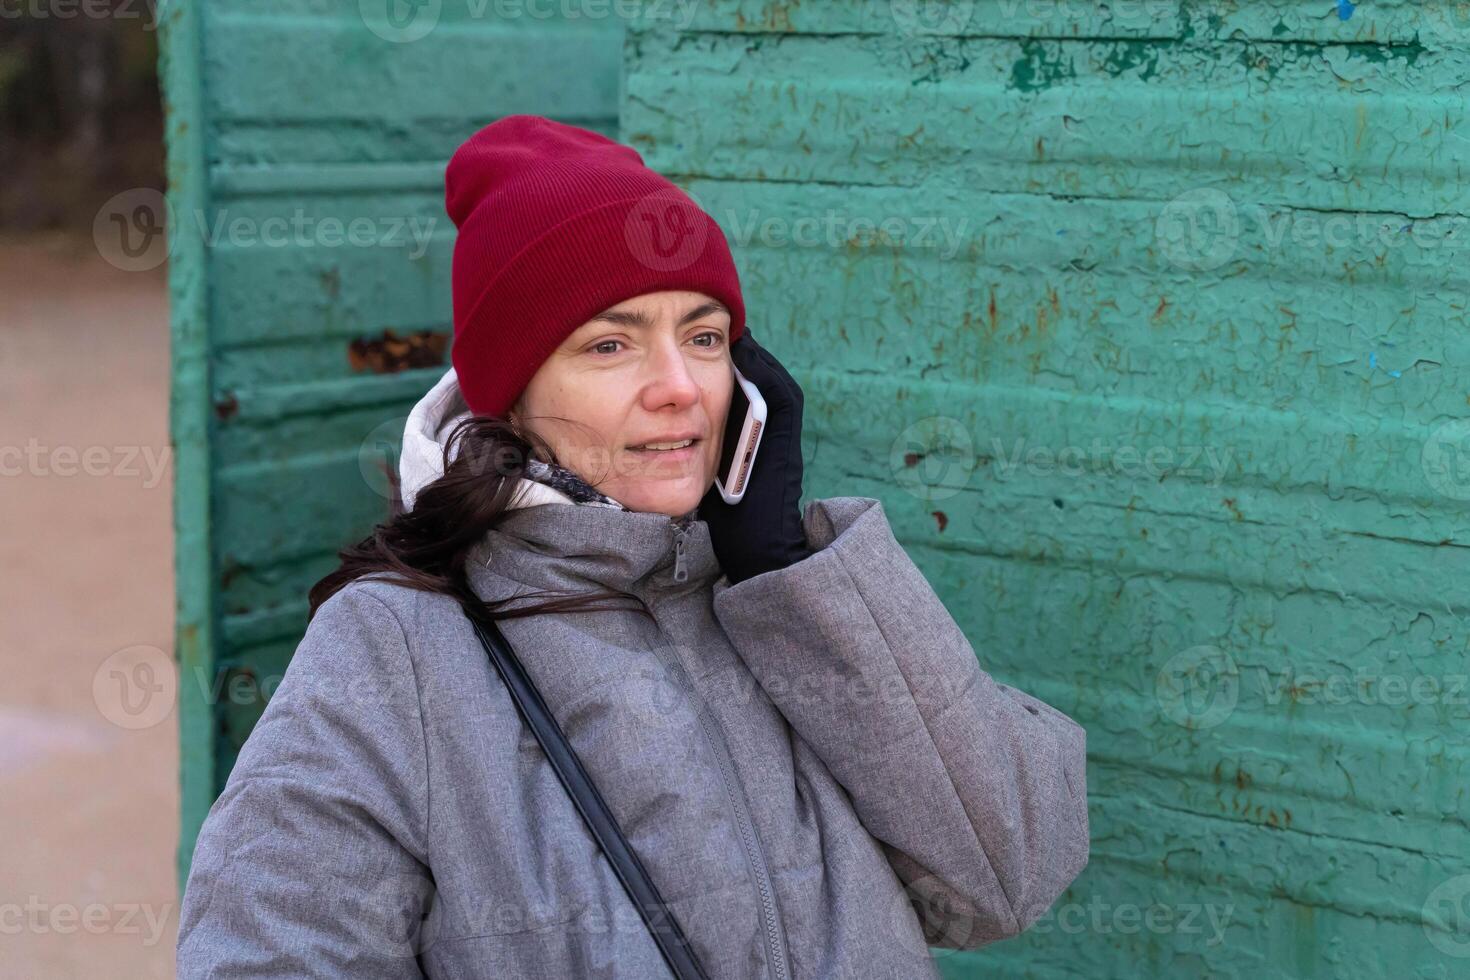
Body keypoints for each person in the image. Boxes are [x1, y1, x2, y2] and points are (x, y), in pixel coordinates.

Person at [175, 115, 1089, 979]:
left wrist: (788, 574)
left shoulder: (793, 601)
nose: (681, 388)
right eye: (611, 344)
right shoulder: (393, 648)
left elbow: (1007, 877)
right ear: (512, 391)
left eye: (704, 336)